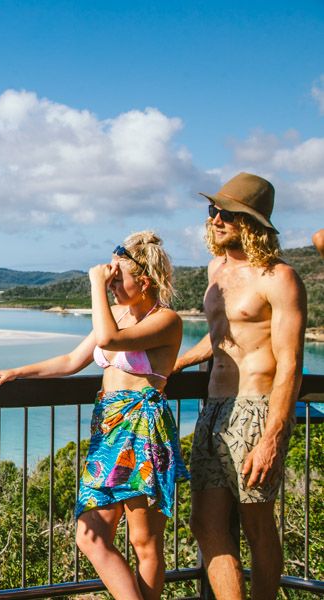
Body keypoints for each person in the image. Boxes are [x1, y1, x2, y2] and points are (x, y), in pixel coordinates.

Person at [0, 231, 187, 600]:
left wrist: (93, 283)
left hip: (142, 431)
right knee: (90, 536)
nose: (110, 285)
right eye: (107, 278)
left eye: (116, 278)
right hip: (108, 432)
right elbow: (71, 361)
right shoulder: (119, 315)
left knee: (144, 542)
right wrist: (17, 371)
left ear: (145, 281)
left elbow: (108, 340)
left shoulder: (167, 321)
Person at [174, 172, 306, 600]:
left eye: (227, 213)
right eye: (213, 210)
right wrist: (171, 365)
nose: (215, 218)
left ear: (252, 222)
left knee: (256, 525)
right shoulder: (217, 269)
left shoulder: (278, 277)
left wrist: (273, 437)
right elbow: (218, 338)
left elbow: (290, 366)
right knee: (205, 524)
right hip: (213, 409)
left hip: (257, 409)